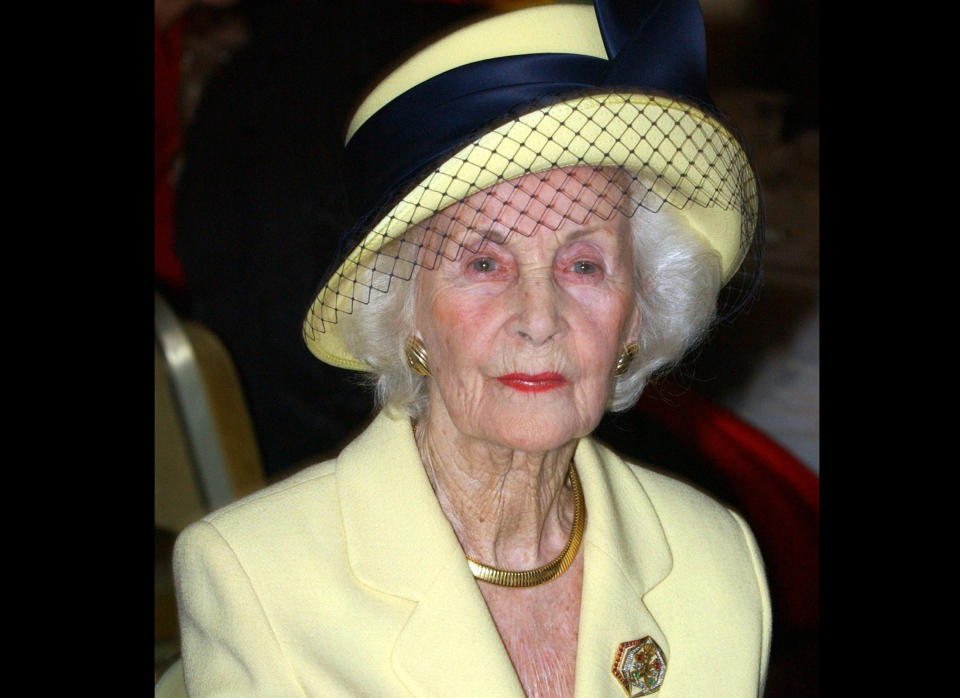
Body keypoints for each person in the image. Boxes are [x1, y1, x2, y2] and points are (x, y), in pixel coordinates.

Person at [173, 1, 772, 696]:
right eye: (484, 264)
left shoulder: (718, 562)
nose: (539, 318)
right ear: (407, 314)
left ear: (637, 313)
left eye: (584, 265)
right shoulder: (257, 581)